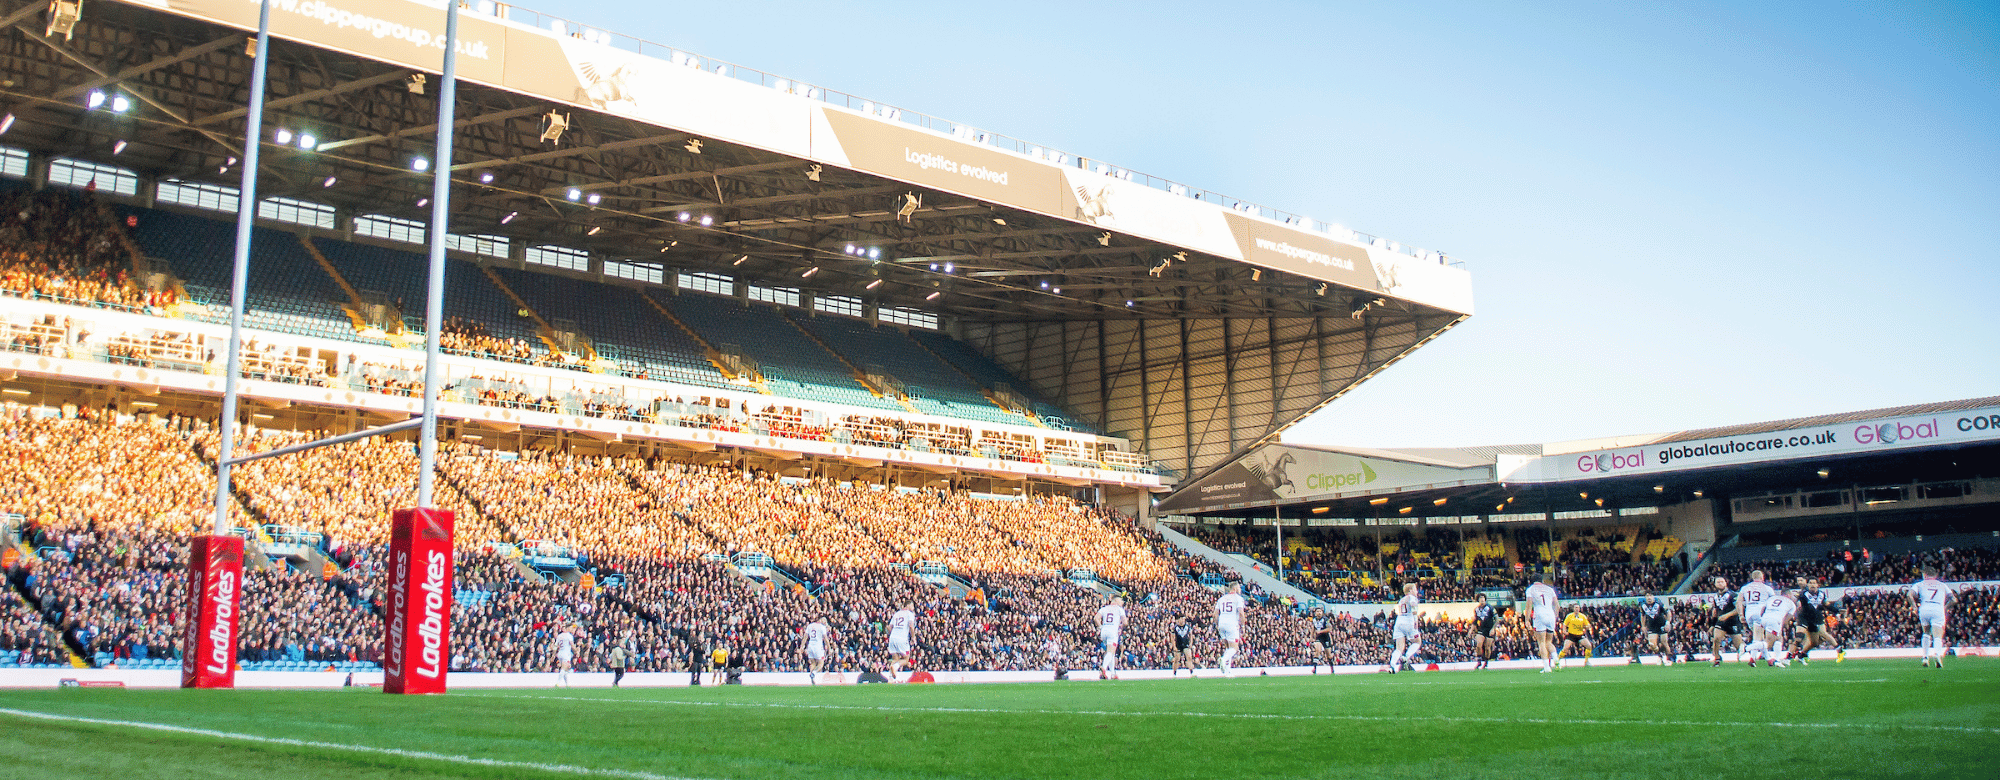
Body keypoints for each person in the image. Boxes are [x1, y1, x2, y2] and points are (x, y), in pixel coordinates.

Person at [1908, 566, 1954, 668]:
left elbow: (1909, 595)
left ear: (1925, 575)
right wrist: (1945, 607)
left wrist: (1914, 607)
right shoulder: (1942, 585)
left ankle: (1925, 657)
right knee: (1937, 635)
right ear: (1935, 575)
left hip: (1924, 609)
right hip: (1938, 609)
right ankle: (1937, 655)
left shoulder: (1919, 584)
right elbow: (1954, 600)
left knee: (1926, 633)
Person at [1795, 577, 1841, 664]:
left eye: (1814, 583)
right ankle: (1801, 655)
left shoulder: (1822, 594)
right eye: (1810, 583)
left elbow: (1826, 604)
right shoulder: (1803, 594)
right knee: (1814, 642)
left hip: (1816, 618)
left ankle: (1840, 650)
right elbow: (1799, 604)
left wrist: (1836, 611)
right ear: (1807, 585)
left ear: (1818, 585)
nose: (1812, 585)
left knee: (1823, 633)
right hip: (1806, 618)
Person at [1738, 570, 1777, 667]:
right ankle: (1752, 657)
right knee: (1757, 637)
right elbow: (1773, 601)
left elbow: (1739, 602)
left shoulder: (1745, 588)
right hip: (1761, 611)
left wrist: (1741, 615)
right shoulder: (1767, 588)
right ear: (1762, 577)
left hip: (1749, 612)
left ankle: (1768, 659)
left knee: (1759, 636)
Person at [1525, 574, 1559, 673]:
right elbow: (1557, 605)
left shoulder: (1530, 590)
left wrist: (1527, 620)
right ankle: (1556, 658)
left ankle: (1547, 667)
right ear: (1542, 580)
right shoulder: (1550, 589)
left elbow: (1529, 606)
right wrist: (1555, 617)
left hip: (1539, 614)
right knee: (1549, 641)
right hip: (1550, 615)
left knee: (1541, 642)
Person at [1385, 583, 1423, 674]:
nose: (1416, 591)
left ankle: (1392, 666)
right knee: (1417, 641)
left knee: (1399, 648)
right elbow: (1413, 609)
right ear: (1410, 590)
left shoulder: (1401, 600)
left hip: (1399, 622)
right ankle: (1406, 657)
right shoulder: (1412, 598)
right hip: (1409, 621)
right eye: (1415, 589)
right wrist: (1415, 621)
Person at [1709, 575, 1744, 667]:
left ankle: (1744, 656)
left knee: (1739, 646)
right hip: (1721, 622)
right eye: (1718, 582)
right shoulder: (1715, 596)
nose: (1720, 583)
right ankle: (1716, 659)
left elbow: (1738, 609)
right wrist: (1712, 624)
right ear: (1715, 584)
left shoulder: (1733, 595)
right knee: (1716, 639)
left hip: (1733, 622)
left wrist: (1727, 615)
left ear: (1726, 583)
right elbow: (1715, 611)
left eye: (1722, 582)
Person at [1757, 589, 1797, 668]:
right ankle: (1753, 652)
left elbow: (1762, 609)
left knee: (1779, 638)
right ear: (1788, 595)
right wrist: (1784, 626)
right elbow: (1786, 620)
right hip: (1775, 620)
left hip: (1764, 618)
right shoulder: (1791, 604)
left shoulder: (1772, 598)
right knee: (1770, 641)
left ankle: (1777, 660)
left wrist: (1763, 619)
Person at [1215, 583, 1245, 676]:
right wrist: (1243, 626)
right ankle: (1223, 659)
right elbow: (1241, 613)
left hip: (1221, 623)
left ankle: (1227, 672)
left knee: (1228, 648)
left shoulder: (1221, 599)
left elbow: (1215, 614)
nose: (1240, 589)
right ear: (1235, 588)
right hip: (1231, 624)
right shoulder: (1238, 598)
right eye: (1239, 587)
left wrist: (1217, 625)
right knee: (1234, 648)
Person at [1634, 590, 1672, 666]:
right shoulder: (1643, 605)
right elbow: (1642, 615)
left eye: (1650, 596)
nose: (1649, 598)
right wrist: (1643, 626)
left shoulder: (1659, 603)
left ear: (1653, 597)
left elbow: (1668, 612)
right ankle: (1660, 656)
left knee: (1664, 642)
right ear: (1645, 597)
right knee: (1652, 644)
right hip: (1652, 626)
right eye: (1647, 596)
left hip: (1662, 625)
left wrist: (1668, 623)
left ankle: (1669, 659)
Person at [1095, 595, 1127, 680]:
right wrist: (1121, 628)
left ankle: (1113, 673)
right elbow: (1125, 622)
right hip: (1113, 631)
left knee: (1111, 652)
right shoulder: (1120, 609)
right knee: (1111, 651)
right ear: (1115, 601)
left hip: (1104, 631)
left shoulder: (1104, 608)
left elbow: (1096, 618)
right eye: (1121, 600)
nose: (1122, 602)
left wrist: (1101, 627)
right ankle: (1104, 668)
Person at [886, 602, 916, 681]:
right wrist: (913, 637)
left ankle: (891, 679)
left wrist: (893, 634)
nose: (913, 607)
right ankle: (895, 667)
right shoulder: (910, 614)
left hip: (892, 637)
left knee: (895, 659)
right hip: (902, 638)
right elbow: (911, 626)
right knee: (906, 659)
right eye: (912, 605)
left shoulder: (896, 614)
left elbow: (889, 627)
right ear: (908, 605)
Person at [1470, 593, 1498, 670]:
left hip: (1489, 629)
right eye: (1480, 598)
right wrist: (1471, 630)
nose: (1482, 600)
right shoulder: (1476, 609)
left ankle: (1486, 662)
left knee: (1487, 647)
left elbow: (1497, 619)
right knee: (1478, 644)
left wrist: (1493, 629)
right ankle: (1479, 661)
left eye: (1483, 598)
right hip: (1481, 629)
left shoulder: (1490, 608)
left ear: (1485, 599)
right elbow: (1475, 621)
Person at [802, 615, 832, 685]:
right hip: (818, 646)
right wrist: (829, 648)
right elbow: (826, 639)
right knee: (821, 663)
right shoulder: (822, 627)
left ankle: (812, 679)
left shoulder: (810, 626)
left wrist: (801, 647)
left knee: (813, 663)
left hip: (810, 646)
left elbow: (805, 637)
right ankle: (814, 673)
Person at [1308, 606, 1334, 674]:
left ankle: (1332, 668)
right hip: (1319, 637)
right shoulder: (1314, 620)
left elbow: (1329, 629)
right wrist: (1311, 637)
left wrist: (1320, 631)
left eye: (1320, 611)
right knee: (1317, 651)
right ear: (1315, 613)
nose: (1319, 613)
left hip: (1325, 637)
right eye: (1317, 612)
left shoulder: (1325, 619)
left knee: (1329, 655)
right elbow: (1313, 628)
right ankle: (1314, 668)